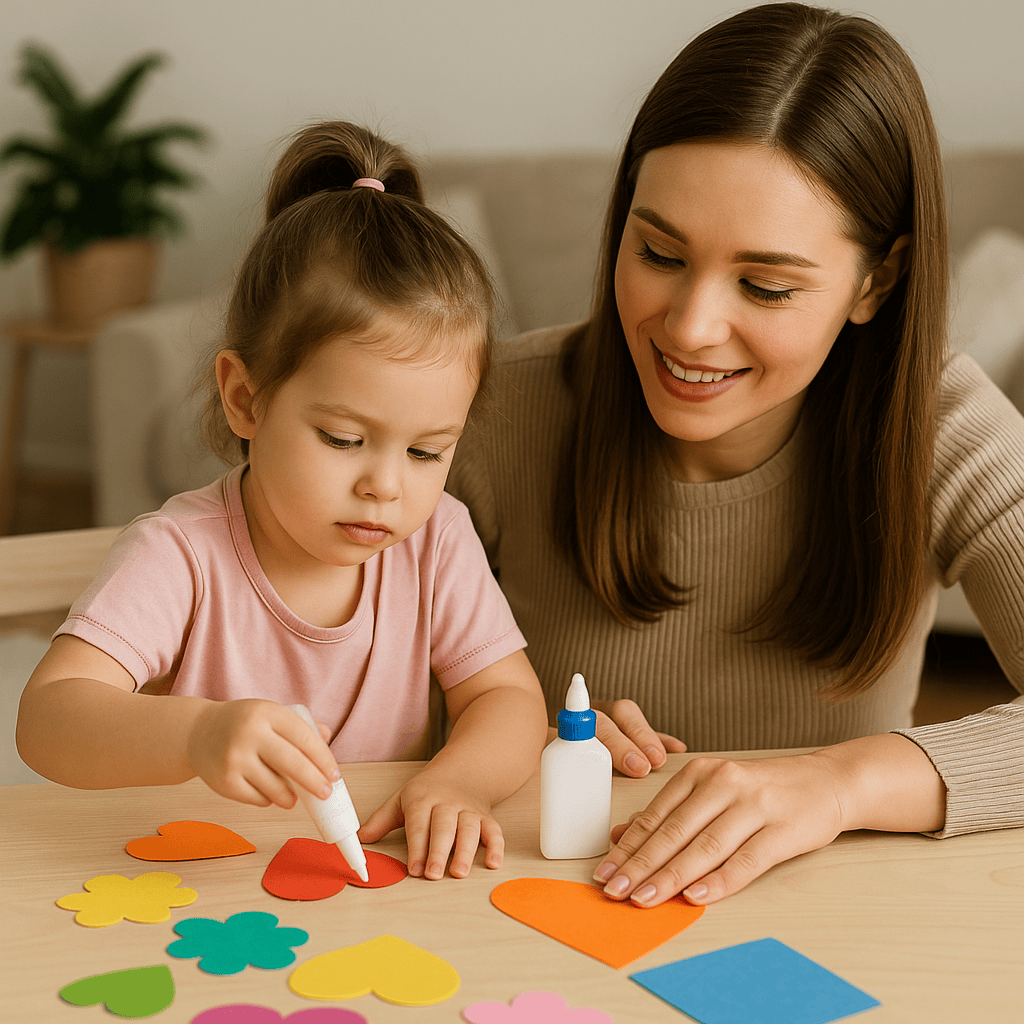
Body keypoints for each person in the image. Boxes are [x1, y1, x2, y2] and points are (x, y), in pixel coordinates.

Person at [447, 2, 1024, 908]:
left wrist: (841, 784)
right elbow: (263, 644)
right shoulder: (486, 414)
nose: (689, 328)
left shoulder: (939, 428)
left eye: (764, 284)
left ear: (877, 281)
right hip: (527, 916)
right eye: (658, 252)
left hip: (837, 928)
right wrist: (490, 720)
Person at [16, 121, 549, 882]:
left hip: (375, 890)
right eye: (341, 438)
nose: (386, 485)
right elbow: (48, 720)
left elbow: (507, 698)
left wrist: (460, 779)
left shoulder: (438, 540)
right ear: (245, 400)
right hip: (197, 885)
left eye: (427, 451)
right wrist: (197, 735)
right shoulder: (181, 553)